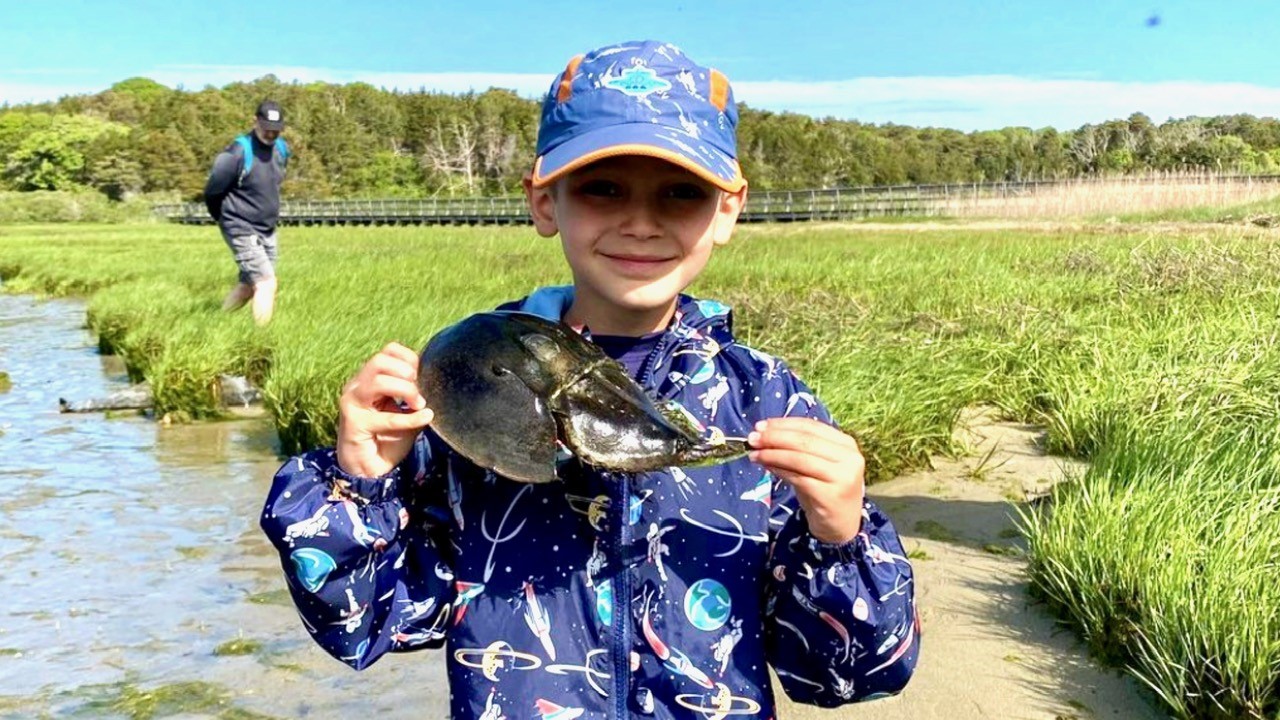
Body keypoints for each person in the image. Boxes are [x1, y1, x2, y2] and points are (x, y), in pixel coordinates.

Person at [261, 40, 918, 717]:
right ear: (545, 202)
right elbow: (366, 623)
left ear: (726, 210)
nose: (640, 221)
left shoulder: (763, 399)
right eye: (603, 188)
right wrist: (357, 481)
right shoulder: (464, 389)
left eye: (681, 193)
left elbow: (845, 677)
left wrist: (841, 535)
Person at [203, 99, 289, 326]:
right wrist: (225, 220)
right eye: (267, 129)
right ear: (254, 121)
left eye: (276, 130)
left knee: (249, 286)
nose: (271, 134)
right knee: (266, 283)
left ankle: (216, 324)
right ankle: (261, 341)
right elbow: (212, 191)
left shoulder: (281, 148)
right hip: (240, 226)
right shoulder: (236, 152)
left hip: (267, 228)